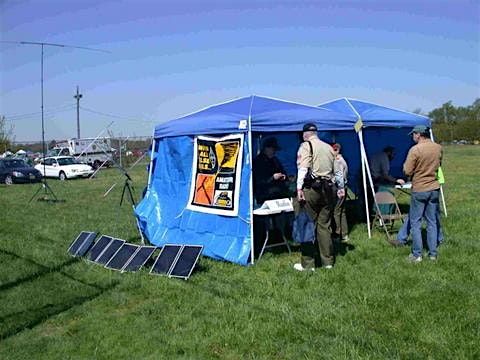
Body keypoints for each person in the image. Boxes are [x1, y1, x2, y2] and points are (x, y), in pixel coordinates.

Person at [294, 123, 344, 271]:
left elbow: (303, 168)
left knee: (307, 225)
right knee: (324, 226)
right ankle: (327, 262)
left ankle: (308, 264)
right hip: (328, 189)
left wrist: (298, 188)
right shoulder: (329, 147)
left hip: (312, 189)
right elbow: (338, 171)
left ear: (305, 134)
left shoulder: (306, 146)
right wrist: (341, 187)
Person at [402, 125, 442, 262]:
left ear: (419, 134)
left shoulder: (415, 149)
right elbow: (439, 165)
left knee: (416, 222)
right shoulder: (438, 147)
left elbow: (407, 170)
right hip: (434, 188)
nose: (413, 136)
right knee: (432, 222)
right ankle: (433, 254)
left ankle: (417, 254)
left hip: (420, 188)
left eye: (413, 134)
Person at [253, 137, 289, 205]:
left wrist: (284, 176)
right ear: (266, 148)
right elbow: (257, 181)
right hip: (264, 196)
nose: (275, 152)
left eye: (275, 150)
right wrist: (272, 178)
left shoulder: (275, 160)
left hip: (277, 194)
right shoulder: (257, 162)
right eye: (273, 149)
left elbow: (282, 171)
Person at [331, 143, 349, 243]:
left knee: (336, 211)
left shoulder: (338, 161)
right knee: (342, 211)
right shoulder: (342, 160)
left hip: (339, 188)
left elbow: (340, 176)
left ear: (337, 150)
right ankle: (344, 234)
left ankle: (338, 234)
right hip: (342, 187)